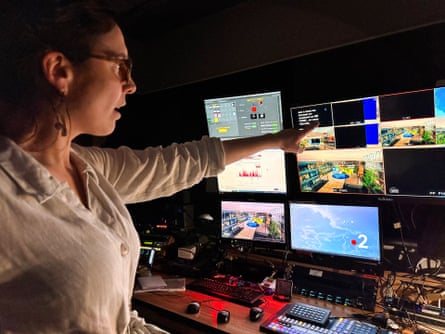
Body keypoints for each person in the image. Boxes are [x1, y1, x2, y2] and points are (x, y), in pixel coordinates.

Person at [0, 1, 318, 333]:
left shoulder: (87, 166)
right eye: (121, 66)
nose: (131, 84)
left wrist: (277, 140)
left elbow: (180, 163)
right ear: (59, 71)